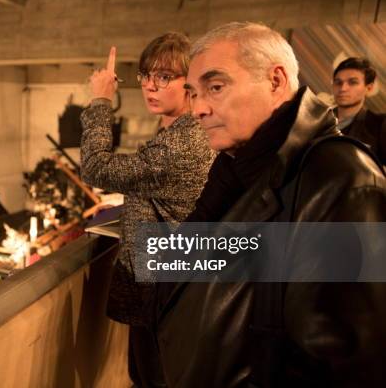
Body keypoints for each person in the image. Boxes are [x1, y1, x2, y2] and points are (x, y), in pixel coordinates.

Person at [156, 22, 386, 387]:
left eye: (215, 88)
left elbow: (345, 364)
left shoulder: (341, 179)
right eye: (193, 93)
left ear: (276, 81)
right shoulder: (237, 168)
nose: (198, 108)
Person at [80, 33, 213, 387]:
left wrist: (100, 100)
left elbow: (97, 168)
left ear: (190, 83)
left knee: (155, 378)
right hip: (168, 281)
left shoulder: (182, 141)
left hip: (164, 288)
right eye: (146, 76)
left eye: (165, 77)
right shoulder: (182, 129)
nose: (151, 87)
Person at [332, 57, 386, 164]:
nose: (343, 88)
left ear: (369, 88)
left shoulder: (379, 125)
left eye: (352, 82)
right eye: (338, 82)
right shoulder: (317, 120)